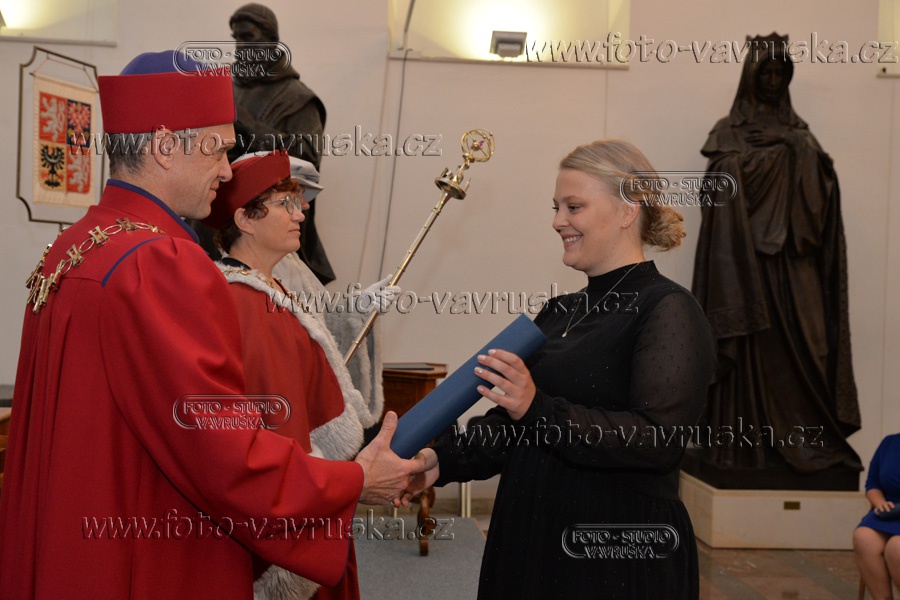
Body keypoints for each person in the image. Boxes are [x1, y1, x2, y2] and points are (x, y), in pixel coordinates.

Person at [0, 50, 422, 600]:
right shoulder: (162, 262)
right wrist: (353, 480)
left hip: (71, 542)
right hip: (148, 557)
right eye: (219, 149)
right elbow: (227, 455)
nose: (227, 170)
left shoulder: (73, 246)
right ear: (164, 146)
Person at [401, 139, 717, 599]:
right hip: (532, 533)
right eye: (556, 207)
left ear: (627, 210)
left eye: (574, 206)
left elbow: (656, 441)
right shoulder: (559, 310)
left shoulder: (668, 308)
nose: (557, 221)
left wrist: (537, 408)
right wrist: (440, 462)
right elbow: (514, 425)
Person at [203, 150, 393, 599]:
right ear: (245, 219)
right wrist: (321, 492)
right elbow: (277, 424)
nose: (300, 213)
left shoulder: (273, 288)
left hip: (315, 488)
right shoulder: (248, 303)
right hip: (294, 511)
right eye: (286, 203)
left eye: (299, 202)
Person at [690, 33, 862, 484]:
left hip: (794, 262)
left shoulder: (802, 136)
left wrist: (793, 147)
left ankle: (809, 438)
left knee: (810, 347)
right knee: (748, 346)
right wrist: (744, 163)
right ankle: (743, 447)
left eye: (779, 73)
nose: (771, 80)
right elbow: (716, 188)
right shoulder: (727, 131)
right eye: (764, 72)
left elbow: (823, 200)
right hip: (743, 264)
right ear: (750, 76)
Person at [272, 156, 397, 412]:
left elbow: (322, 322)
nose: (304, 207)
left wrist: (358, 309)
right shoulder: (247, 269)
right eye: (294, 196)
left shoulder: (291, 261)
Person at [228, 3, 334, 284]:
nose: (240, 47)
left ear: (270, 40)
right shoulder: (228, 87)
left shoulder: (297, 98)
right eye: (237, 38)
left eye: (248, 37)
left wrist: (249, 125)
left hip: (267, 224)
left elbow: (307, 159)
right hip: (219, 216)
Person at [854, 434, 900, 600]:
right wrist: (879, 502)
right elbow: (873, 484)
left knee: (896, 547)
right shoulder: (889, 442)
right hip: (891, 511)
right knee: (863, 538)